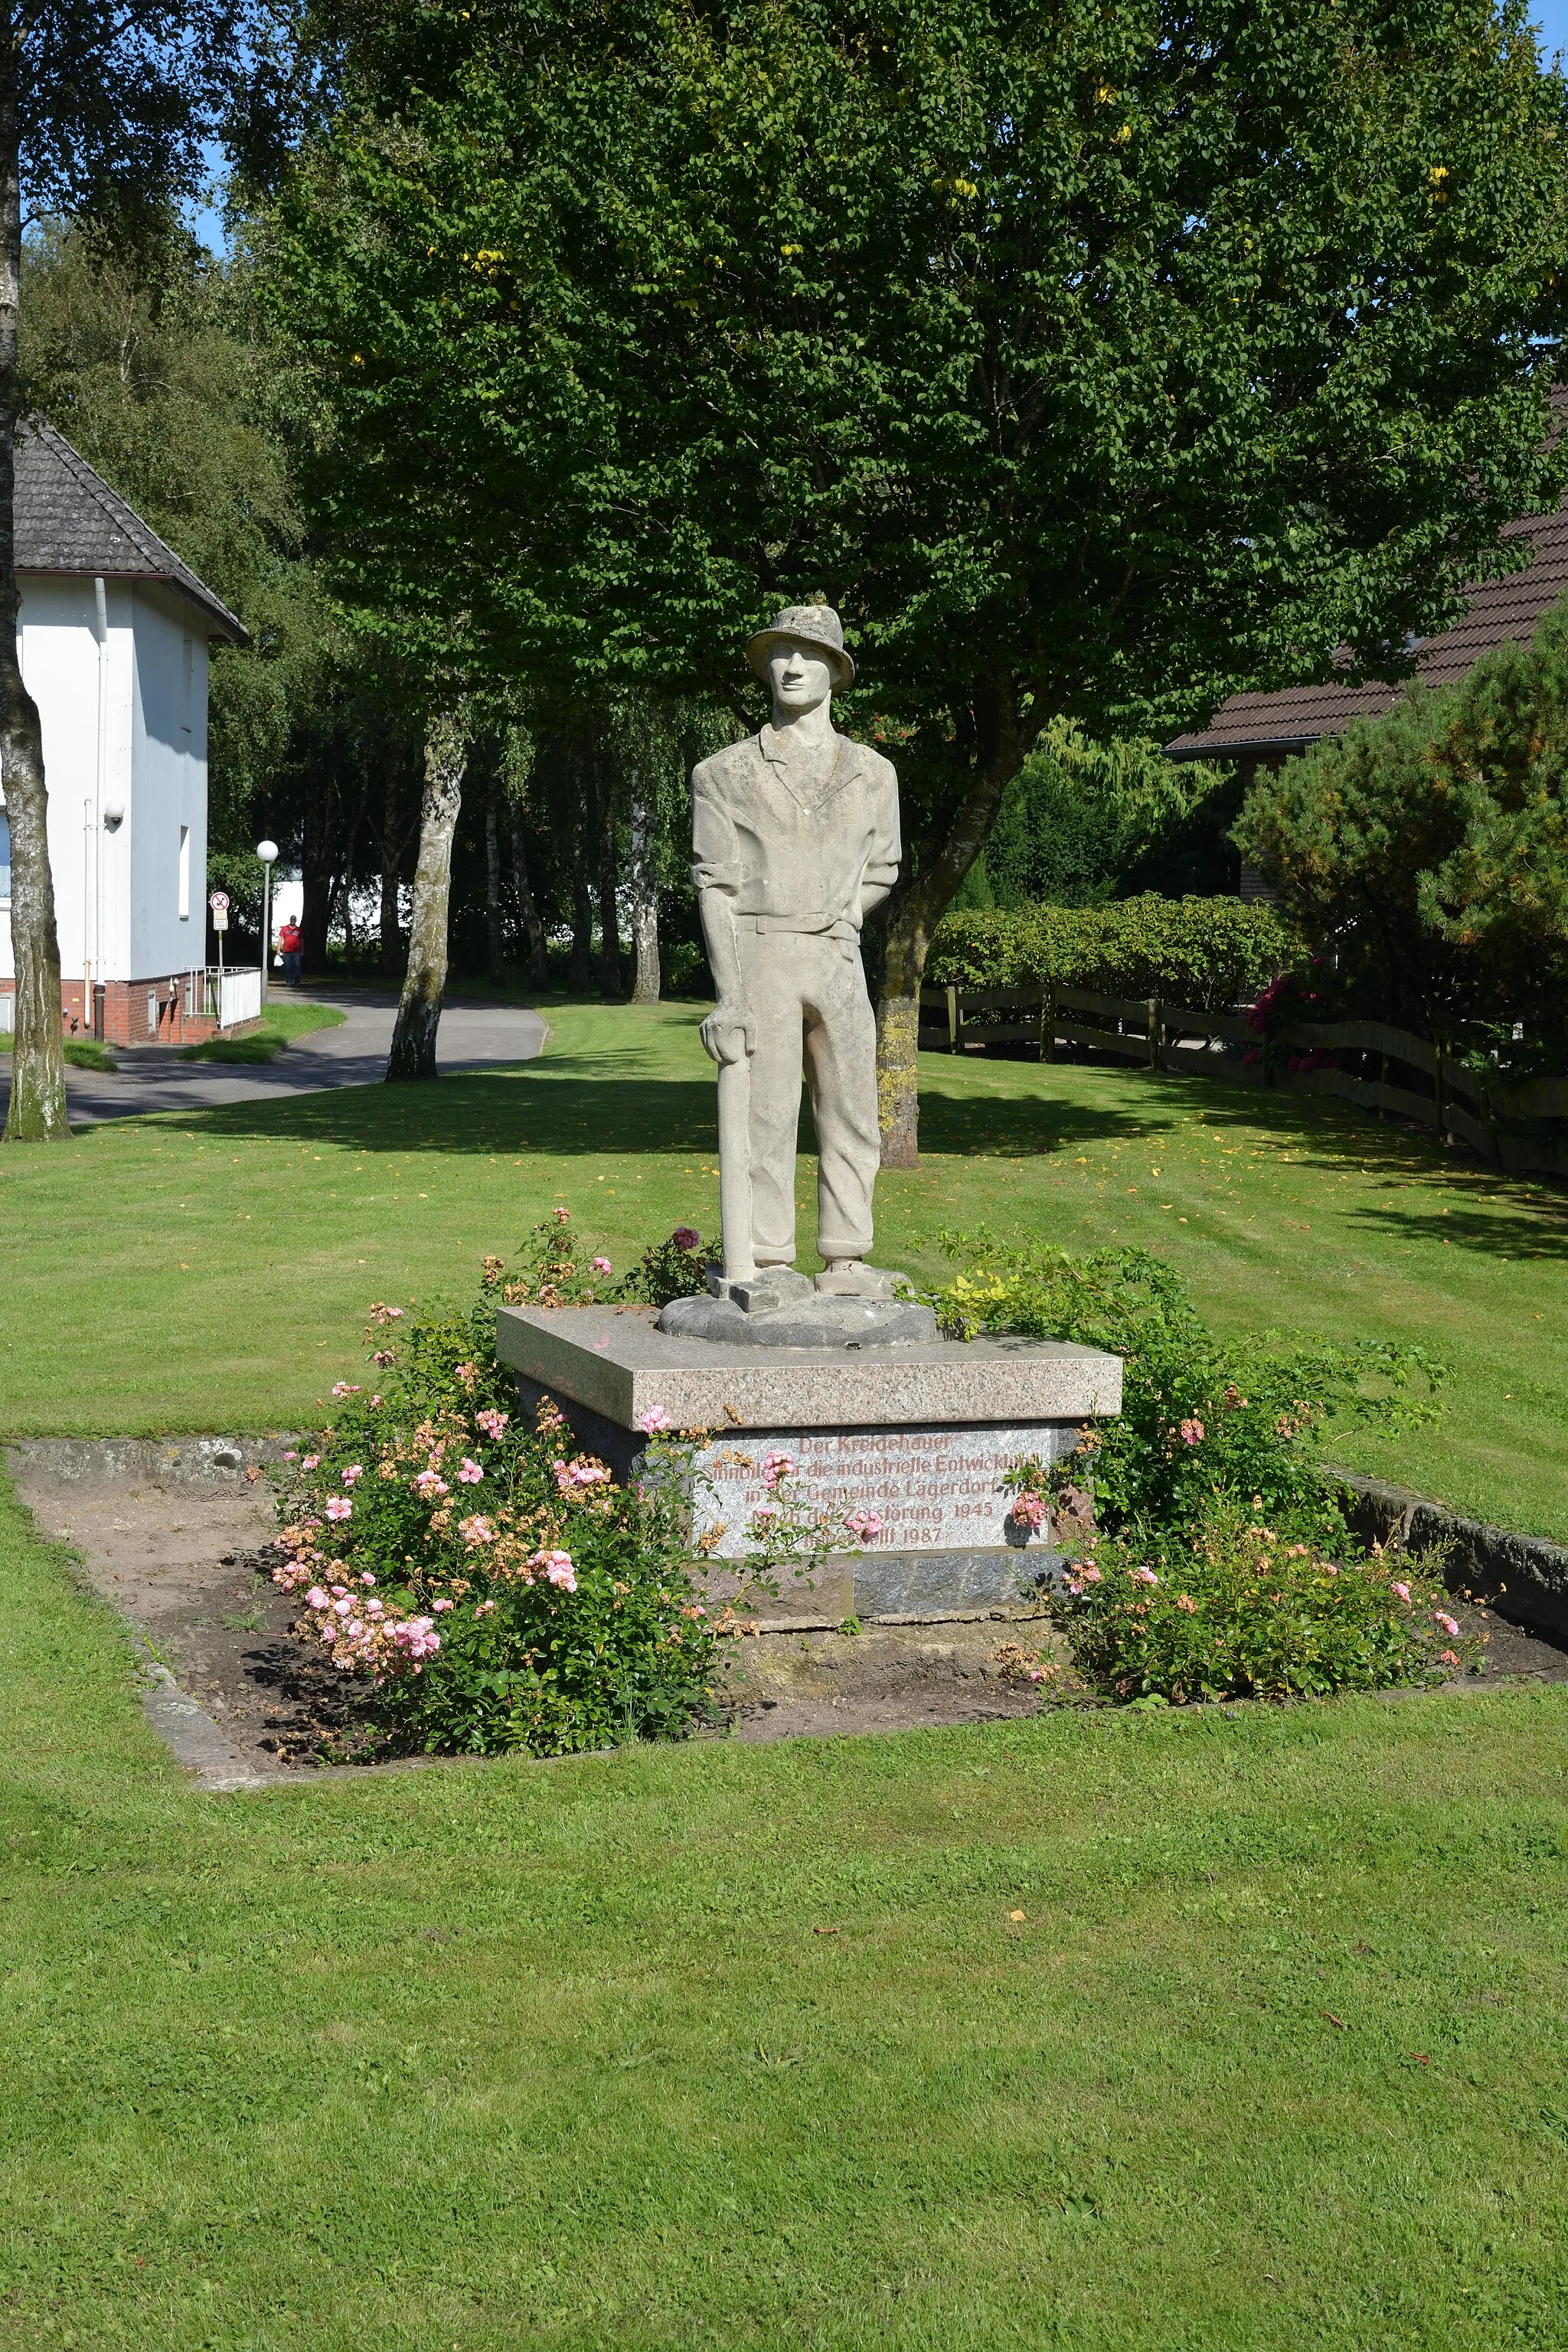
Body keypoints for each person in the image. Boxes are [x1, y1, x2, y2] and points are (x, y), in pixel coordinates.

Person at [691, 602, 900, 1288]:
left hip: (839, 962)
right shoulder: (722, 774)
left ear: (836, 673)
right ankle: (767, 1261)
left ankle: (848, 1256)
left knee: (852, 1115)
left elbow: (883, 868)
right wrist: (730, 997)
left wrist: (850, 910)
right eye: (781, 653)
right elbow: (714, 888)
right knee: (767, 1119)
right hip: (762, 957)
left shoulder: (874, 774)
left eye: (810, 655)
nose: (792, 666)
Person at [278, 916, 303, 988]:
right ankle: (289, 981)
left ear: (296, 921)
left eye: (294, 919)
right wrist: (278, 949)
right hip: (287, 951)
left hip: (297, 952)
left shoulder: (299, 930)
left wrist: (302, 951)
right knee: (288, 967)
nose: (293, 921)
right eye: (292, 919)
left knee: (297, 967)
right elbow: (281, 939)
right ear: (290, 920)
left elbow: (302, 940)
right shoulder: (284, 929)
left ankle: (297, 982)